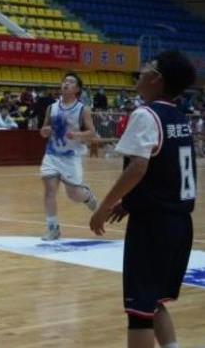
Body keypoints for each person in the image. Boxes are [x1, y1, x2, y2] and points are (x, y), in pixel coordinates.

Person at [89, 50, 197, 348]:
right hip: (180, 225)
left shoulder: (146, 114)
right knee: (153, 302)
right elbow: (166, 171)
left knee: (139, 312)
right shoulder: (179, 117)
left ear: (156, 79)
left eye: (148, 66)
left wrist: (104, 206)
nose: (142, 70)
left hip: (154, 226)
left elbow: (138, 167)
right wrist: (129, 203)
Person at [39, 72, 98, 241]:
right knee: (49, 191)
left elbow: (92, 132)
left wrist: (77, 135)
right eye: (65, 81)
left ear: (77, 89)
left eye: (71, 82)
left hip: (71, 156)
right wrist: (45, 131)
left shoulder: (82, 109)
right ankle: (53, 228)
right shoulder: (52, 107)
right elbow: (44, 130)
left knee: (74, 194)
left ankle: (88, 196)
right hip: (52, 155)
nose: (66, 84)